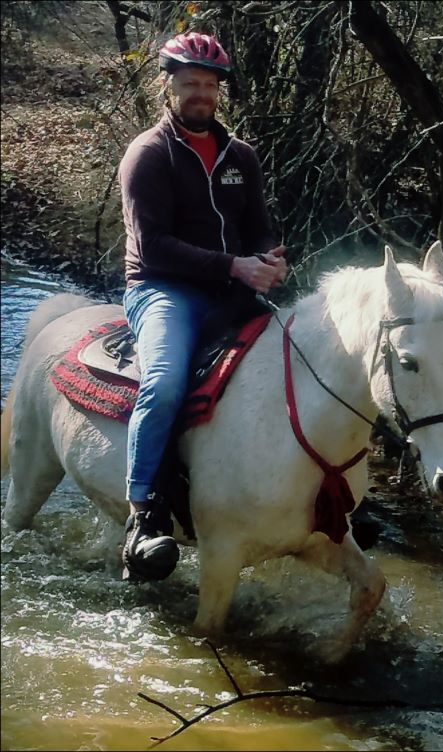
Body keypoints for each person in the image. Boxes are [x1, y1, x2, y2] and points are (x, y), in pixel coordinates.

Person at [118, 31, 286, 581]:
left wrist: (269, 258)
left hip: (233, 287)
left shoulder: (242, 157)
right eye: (189, 82)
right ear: (169, 87)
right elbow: (153, 244)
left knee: (304, 359)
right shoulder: (149, 154)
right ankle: (143, 513)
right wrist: (234, 266)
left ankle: (326, 496)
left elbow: (258, 226)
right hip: (163, 287)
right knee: (164, 380)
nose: (201, 93)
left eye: (209, 85)